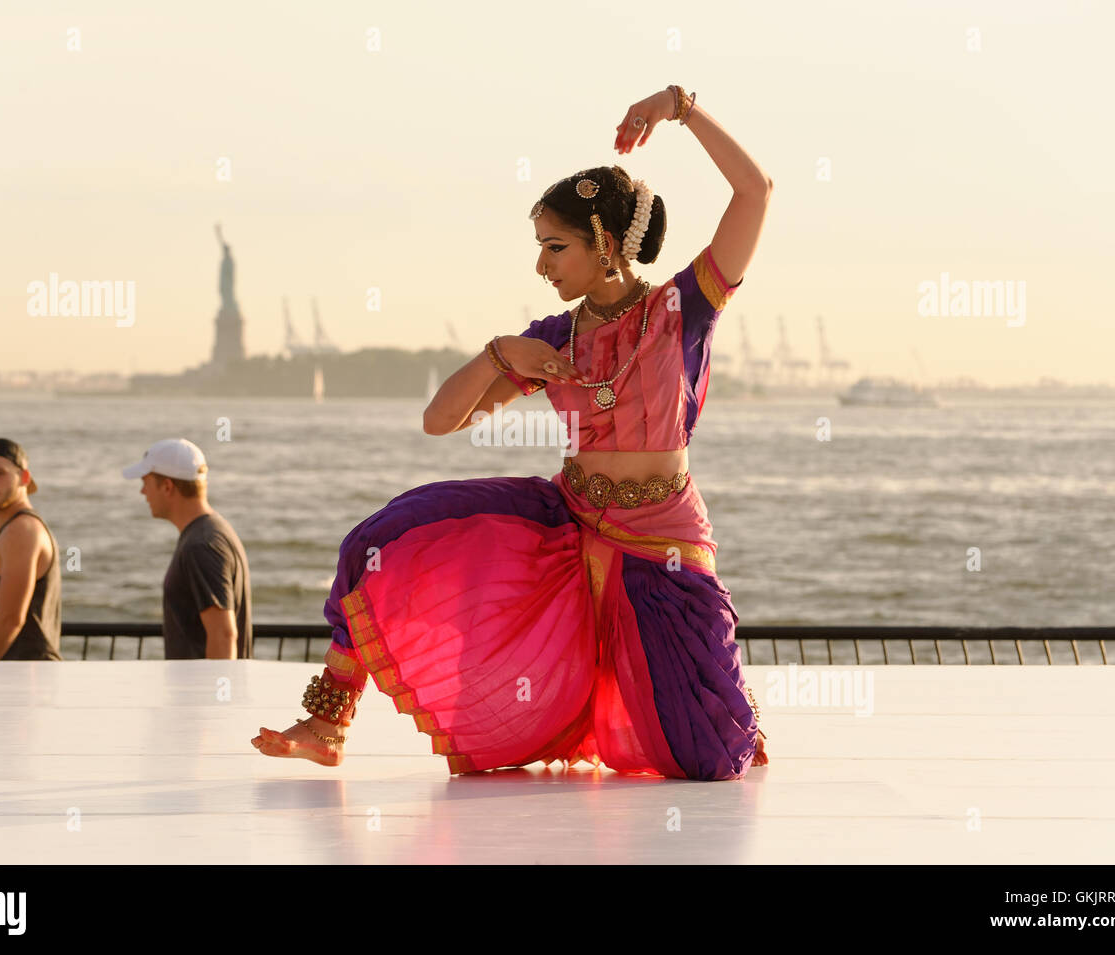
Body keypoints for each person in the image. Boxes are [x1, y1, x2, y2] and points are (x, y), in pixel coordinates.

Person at [252, 85, 773, 779]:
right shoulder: (553, 338)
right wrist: (499, 354)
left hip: (663, 543)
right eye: (540, 247)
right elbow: (440, 420)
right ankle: (328, 719)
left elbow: (756, 191)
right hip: (569, 522)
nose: (542, 265)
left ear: (607, 246)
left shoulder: (684, 309)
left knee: (709, 758)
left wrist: (679, 108)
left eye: (555, 247)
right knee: (381, 540)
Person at [123, 438, 252, 659]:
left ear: (167, 486)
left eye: (146, 482)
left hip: (200, 693)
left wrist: (216, 694)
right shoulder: (212, 532)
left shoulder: (201, 545)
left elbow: (223, 634)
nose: (142, 491)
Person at [0, 438, 63, 661]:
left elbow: (10, 618)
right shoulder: (21, 528)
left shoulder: (21, 531)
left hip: (26, 680)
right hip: (26, 676)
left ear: (24, 477)